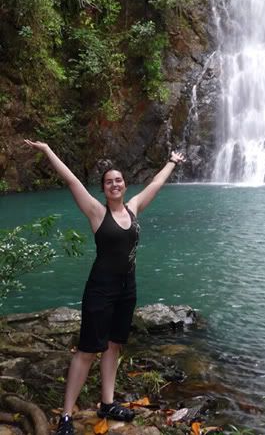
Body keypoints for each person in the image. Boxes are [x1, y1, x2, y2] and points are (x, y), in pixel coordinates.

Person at [24, 139, 185, 435]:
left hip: (127, 288)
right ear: (104, 188)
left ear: (125, 185)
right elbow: (71, 179)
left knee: (114, 344)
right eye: (109, 181)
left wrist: (172, 162)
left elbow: (155, 184)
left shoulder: (134, 207)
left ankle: (107, 403)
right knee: (87, 350)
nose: (115, 184)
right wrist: (48, 150)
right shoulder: (98, 213)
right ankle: (67, 416)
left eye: (119, 180)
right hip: (101, 288)